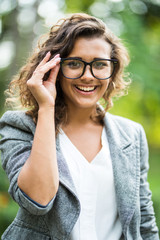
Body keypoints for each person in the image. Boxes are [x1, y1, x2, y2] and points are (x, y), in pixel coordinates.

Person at [0, 13, 159, 240]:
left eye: (100, 65)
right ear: (53, 67)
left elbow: (143, 223)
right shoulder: (19, 127)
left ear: (112, 71)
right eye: (74, 64)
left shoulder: (132, 135)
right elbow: (37, 201)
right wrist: (46, 108)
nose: (87, 76)